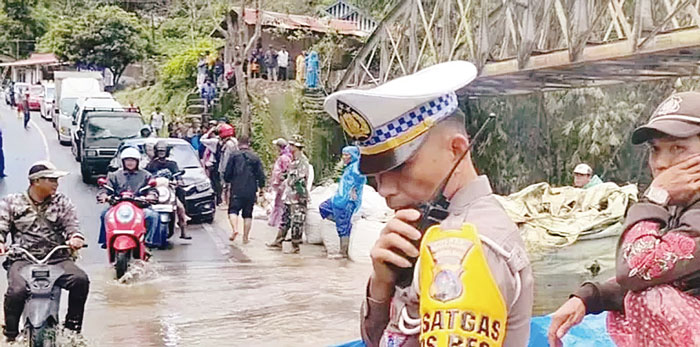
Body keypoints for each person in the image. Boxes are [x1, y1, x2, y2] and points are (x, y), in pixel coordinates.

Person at [323, 61, 534, 346]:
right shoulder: (432, 227)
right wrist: (382, 284)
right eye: (376, 176)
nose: (384, 190)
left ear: (456, 149)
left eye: (399, 168)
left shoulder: (471, 245)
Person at [548, 91, 700, 346]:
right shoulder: (683, 204)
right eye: (655, 150)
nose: (661, 163)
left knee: (648, 297)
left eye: (678, 149)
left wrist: (655, 198)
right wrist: (588, 297)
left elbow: (636, 269)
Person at [0, 161, 89, 341]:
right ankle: (10, 335)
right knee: (16, 291)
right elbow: (1, 226)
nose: (56, 184)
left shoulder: (62, 202)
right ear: (36, 181)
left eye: (57, 180)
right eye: (51, 180)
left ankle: (72, 330)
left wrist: (75, 237)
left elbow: (71, 224)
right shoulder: (11, 202)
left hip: (56, 258)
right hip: (22, 258)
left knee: (81, 281)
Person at [97, 148, 163, 249]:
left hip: (140, 207)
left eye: (133, 160)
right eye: (127, 160)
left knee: (153, 216)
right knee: (104, 214)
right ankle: (106, 240)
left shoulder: (146, 175)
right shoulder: (114, 175)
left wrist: (151, 196)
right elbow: (105, 189)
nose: (130, 163)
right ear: (123, 162)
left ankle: (149, 242)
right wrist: (103, 196)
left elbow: (152, 189)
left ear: (137, 161)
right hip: (117, 207)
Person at [320, 146, 366, 259]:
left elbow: (361, 179)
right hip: (338, 198)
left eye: (347, 155)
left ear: (353, 156)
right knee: (323, 208)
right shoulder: (349, 167)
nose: (344, 157)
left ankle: (343, 252)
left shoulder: (357, 167)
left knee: (343, 226)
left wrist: (355, 190)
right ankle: (344, 223)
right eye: (343, 154)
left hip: (348, 200)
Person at [267, 135, 309, 254]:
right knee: (285, 218)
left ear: (297, 147)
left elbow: (299, 180)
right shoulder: (294, 160)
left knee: (297, 221)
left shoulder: (302, 161)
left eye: (292, 145)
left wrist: (300, 195)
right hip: (290, 195)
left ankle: (295, 246)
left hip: (298, 196)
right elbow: (289, 174)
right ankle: (278, 240)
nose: (290, 147)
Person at [145, 140, 191, 240]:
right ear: (156, 151)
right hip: (155, 191)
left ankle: (183, 230)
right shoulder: (151, 165)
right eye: (159, 151)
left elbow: (178, 175)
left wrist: (178, 181)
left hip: (169, 190)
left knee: (180, 207)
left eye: (163, 151)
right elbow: (146, 177)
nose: (161, 153)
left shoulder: (172, 164)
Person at [224, 135, 265, 243]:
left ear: (238, 143)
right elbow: (260, 174)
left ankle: (235, 230)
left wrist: (227, 181)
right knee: (248, 214)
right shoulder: (255, 157)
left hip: (236, 188)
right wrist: (261, 187)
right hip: (250, 189)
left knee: (233, 210)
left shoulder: (234, 156)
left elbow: (227, 172)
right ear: (249, 143)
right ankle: (245, 237)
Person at [268, 138, 292, 228]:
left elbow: (285, 171)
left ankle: (278, 221)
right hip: (280, 183)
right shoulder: (284, 156)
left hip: (282, 184)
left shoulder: (284, 158)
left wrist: (279, 180)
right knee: (277, 202)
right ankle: (275, 220)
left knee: (280, 203)